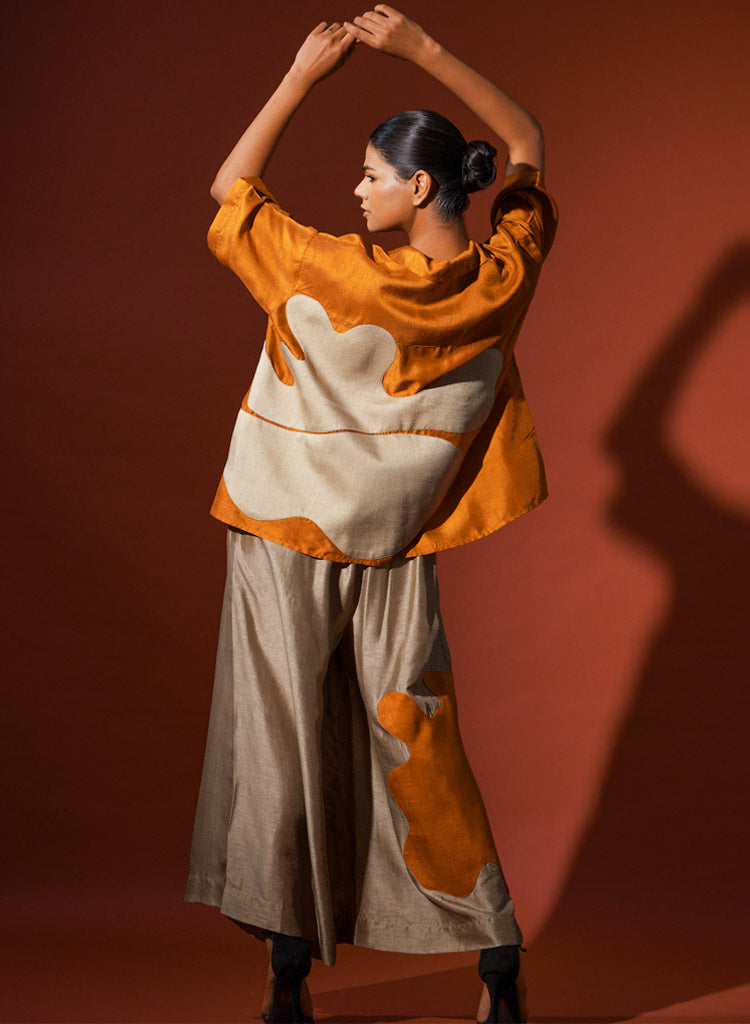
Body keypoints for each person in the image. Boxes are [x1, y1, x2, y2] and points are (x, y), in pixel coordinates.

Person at [185, 6, 558, 1023]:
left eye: (369, 174)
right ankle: (497, 961)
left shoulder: (326, 268)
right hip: (396, 550)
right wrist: (423, 50)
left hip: (280, 533)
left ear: (418, 186)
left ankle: (288, 978)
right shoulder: (501, 276)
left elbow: (230, 190)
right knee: (418, 738)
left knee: (282, 742)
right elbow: (526, 140)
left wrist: (301, 77)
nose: (355, 191)